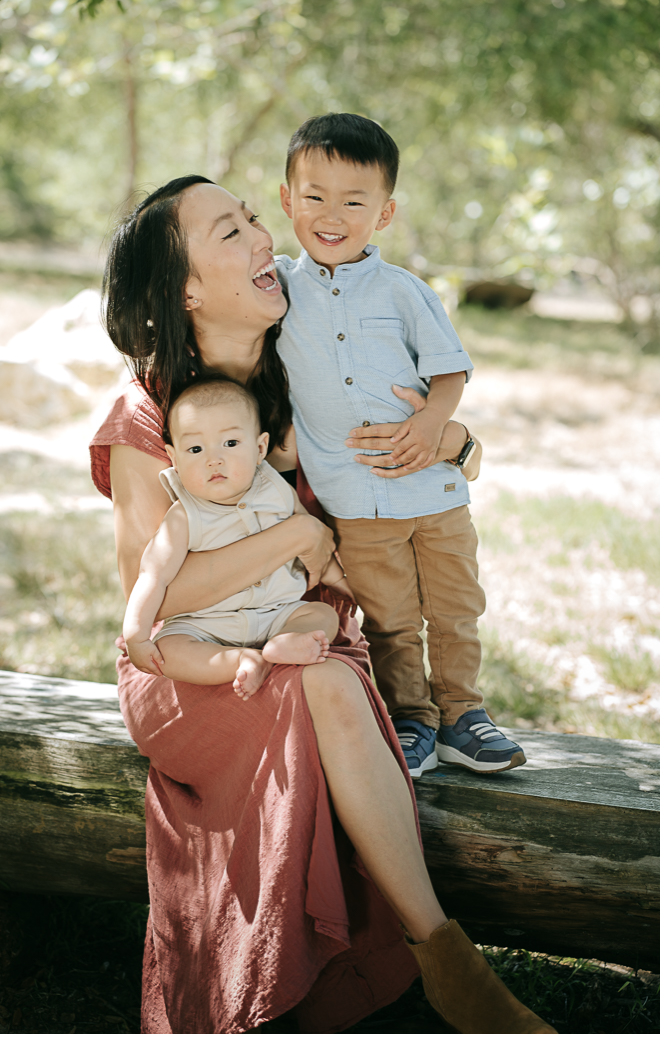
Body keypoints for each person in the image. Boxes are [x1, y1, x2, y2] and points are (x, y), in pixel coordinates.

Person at [90, 173, 556, 1034]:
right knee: (323, 686)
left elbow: (434, 460)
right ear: (186, 287)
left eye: (254, 219)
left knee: (327, 676)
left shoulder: (306, 371)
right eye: (230, 232)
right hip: (189, 664)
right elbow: (153, 608)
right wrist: (296, 543)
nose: (266, 239)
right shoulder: (147, 416)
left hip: (302, 635)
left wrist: (458, 442)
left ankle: (442, 966)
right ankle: (422, 967)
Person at [276, 112, 525, 777]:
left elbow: (450, 369)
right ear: (286, 200)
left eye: (354, 201)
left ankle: (463, 716)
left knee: (453, 610)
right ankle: (411, 718)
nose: (332, 214)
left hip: (434, 490)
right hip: (354, 499)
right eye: (314, 196)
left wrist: (432, 424)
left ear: (383, 214)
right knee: (389, 619)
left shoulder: (403, 291)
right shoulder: (278, 290)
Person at [123, 376, 350, 698]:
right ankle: (241, 661)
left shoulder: (276, 490)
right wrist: (136, 635)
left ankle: (284, 643)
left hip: (278, 611)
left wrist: (344, 584)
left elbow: (314, 547)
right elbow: (153, 577)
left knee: (321, 615)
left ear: (259, 449)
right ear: (175, 459)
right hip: (206, 624)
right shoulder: (184, 514)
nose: (213, 459)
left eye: (230, 444)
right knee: (170, 649)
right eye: (196, 448)